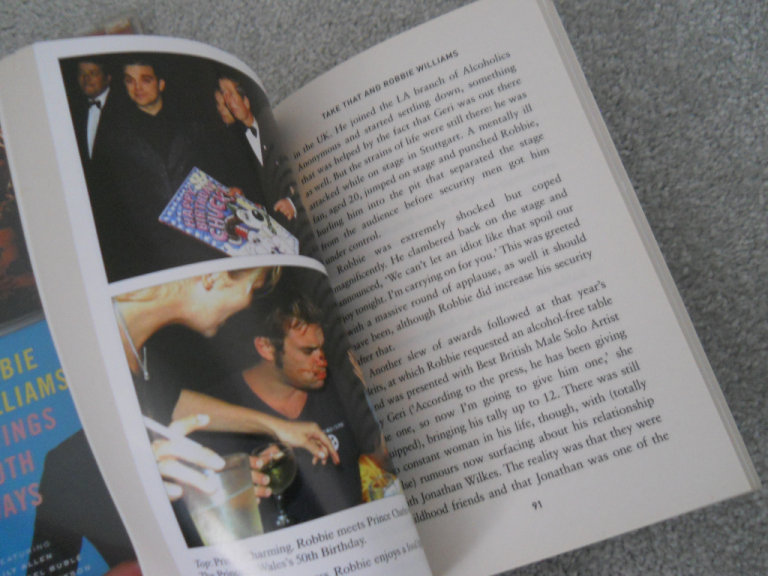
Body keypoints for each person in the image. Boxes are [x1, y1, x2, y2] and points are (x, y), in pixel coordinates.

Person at [28, 268, 338, 574]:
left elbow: (173, 403)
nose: (248, 304)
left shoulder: (139, 351)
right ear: (212, 277)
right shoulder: (89, 341)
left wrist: (278, 428)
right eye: (253, 288)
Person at [199, 291, 390, 530]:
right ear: (266, 347)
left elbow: (370, 465)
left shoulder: (336, 386)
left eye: (321, 348)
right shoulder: (216, 408)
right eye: (308, 351)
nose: (322, 360)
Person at [90, 56, 223, 280]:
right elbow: (113, 200)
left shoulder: (192, 125)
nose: (138, 88)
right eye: (130, 81)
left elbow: (216, 171)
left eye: (146, 80)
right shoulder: (115, 138)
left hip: (202, 239)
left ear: (161, 84)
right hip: (151, 251)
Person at [214, 76, 297, 223]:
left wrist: (291, 203)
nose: (228, 102)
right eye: (225, 97)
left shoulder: (270, 128)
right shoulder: (239, 143)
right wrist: (242, 195)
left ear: (246, 101)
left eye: (230, 94)